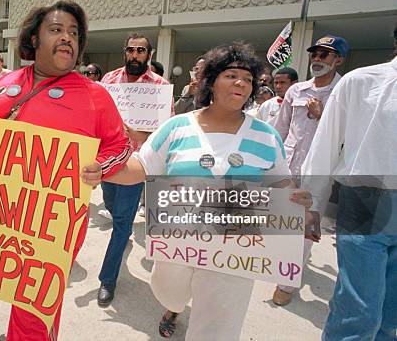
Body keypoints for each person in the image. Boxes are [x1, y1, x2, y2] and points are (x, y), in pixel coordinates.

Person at [82, 42, 312, 340]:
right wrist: (104, 170)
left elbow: (281, 182)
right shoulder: (177, 128)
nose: (241, 82)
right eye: (231, 75)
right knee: (168, 291)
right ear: (211, 81)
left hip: (236, 252)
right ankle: (174, 306)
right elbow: (140, 166)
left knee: (218, 326)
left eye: (247, 78)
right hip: (176, 244)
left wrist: (295, 199)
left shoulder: (266, 137)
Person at [0, 0, 132, 341]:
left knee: (33, 306)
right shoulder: (5, 82)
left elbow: (120, 147)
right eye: (56, 30)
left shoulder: (95, 95)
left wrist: (100, 166)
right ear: (33, 39)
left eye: (74, 33)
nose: (67, 38)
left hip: (50, 225)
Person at [301, 26, 397, 341]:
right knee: (360, 313)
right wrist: (312, 204)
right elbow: (325, 145)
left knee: (390, 315)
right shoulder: (362, 82)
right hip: (367, 204)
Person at [271, 35, 348, 306]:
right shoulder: (297, 90)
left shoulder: (345, 91)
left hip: (319, 172)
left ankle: (287, 283)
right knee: (282, 220)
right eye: (314, 53)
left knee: (307, 224)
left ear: (338, 60)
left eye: (324, 55)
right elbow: (280, 129)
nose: (317, 59)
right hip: (290, 164)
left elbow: (349, 137)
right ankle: (282, 263)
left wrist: (324, 115)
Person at [97, 33, 173, 306]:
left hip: (137, 162)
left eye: (141, 51)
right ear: (124, 52)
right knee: (112, 207)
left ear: (149, 55)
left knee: (122, 222)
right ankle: (123, 231)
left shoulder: (160, 87)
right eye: (130, 50)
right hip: (107, 159)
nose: (135, 55)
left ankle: (108, 279)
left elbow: (167, 131)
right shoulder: (109, 81)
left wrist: (143, 136)